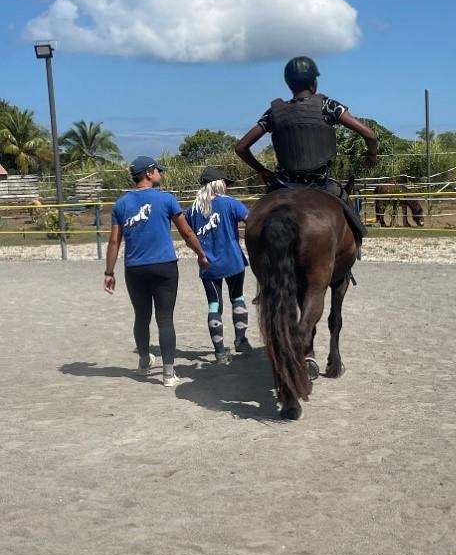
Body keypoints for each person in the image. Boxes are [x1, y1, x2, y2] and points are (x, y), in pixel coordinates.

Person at [234, 55, 378, 239]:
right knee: (349, 214)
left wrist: (262, 170)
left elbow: (241, 147)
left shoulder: (273, 113)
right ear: (313, 83)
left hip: (283, 184)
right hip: (320, 183)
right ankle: (354, 247)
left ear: (289, 84)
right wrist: (371, 155)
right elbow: (370, 135)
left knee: (260, 215)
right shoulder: (328, 106)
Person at [104, 156, 209, 386]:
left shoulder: (121, 204)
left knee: (142, 317)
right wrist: (201, 254)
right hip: (164, 266)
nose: (161, 174)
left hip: (135, 269)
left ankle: (144, 362)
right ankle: (169, 374)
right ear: (149, 173)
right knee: (165, 318)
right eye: (158, 170)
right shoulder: (167, 200)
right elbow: (187, 233)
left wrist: (109, 272)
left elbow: (114, 242)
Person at [185, 167, 251, 365]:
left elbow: (189, 237)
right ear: (218, 184)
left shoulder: (192, 210)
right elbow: (252, 221)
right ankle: (240, 341)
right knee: (237, 297)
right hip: (233, 261)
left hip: (208, 265)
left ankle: (220, 352)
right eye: (225, 183)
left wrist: (200, 254)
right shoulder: (230, 204)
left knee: (214, 304)